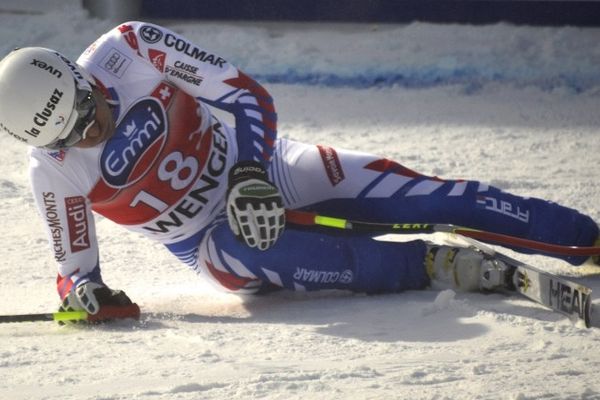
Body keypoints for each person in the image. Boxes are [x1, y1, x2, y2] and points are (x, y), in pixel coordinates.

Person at [0, 21, 597, 322]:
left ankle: (586, 239)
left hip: (269, 169)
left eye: (85, 111)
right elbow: (72, 276)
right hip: (212, 243)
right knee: (241, 243)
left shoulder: (128, 47)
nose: (89, 133)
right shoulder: (50, 172)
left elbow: (247, 97)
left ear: (81, 79)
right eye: (67, 136)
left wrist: (250, 175)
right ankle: (435, 265)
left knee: (430, 198)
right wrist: (88, 295)